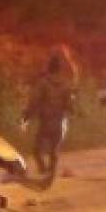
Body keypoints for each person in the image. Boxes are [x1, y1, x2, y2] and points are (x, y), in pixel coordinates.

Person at [21, 47, 76, 178]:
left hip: (45, 120)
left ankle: (44, 169)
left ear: (49, 68)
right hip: (59, 120)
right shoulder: (66, 85)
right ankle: (51, 171)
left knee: (36, 150)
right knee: (54, 149)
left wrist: (26, 115)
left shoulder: (43, 83)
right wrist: (71, 111)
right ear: (60, 69)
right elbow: (70, 104)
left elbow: (34, 100)